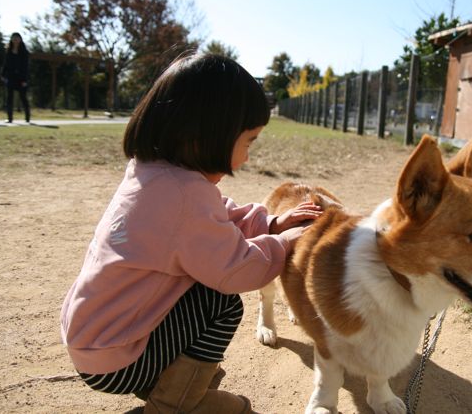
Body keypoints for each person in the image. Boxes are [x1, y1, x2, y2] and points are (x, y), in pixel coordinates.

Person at [60, 52, 322, 413]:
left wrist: (271, 223)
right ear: (209, 134)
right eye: (249, 141)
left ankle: (179, 386)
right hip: (118, 357)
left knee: (201, 293)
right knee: (220, 301)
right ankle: (175, 402)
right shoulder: (184, 196)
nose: (247, 157)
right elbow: (237, 268)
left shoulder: (155, 173)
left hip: (94, 338)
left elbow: (214, 216)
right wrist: (285, 242)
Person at [1, 32, 30, 123]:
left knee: (23, 97)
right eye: (14, 38)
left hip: (21, 77)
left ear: (20, 40)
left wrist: (25, 79)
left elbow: (26, 67)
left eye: (17, 38)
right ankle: (10, 118)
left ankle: (27, 116)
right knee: (9, 97)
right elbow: (5, 64)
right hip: (10, 77)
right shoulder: (8, 51)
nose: (15, 40)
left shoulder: (24, 53)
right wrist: (3, 74)